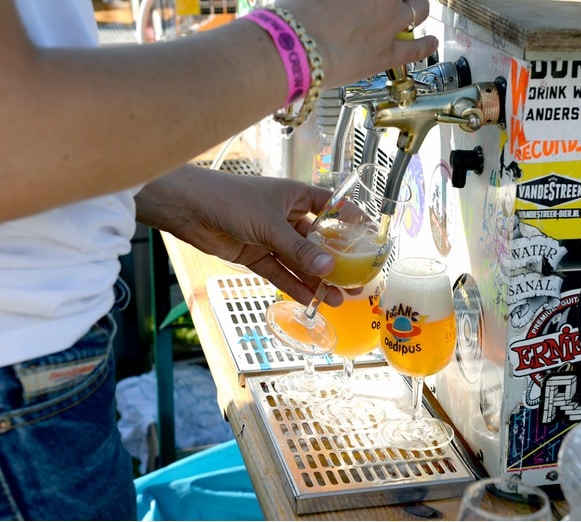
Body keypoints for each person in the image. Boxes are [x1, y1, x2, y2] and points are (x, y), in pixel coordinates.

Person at [0, 1, 437, 519]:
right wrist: (295, 44)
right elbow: (16, 135)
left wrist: (185, 197)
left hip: (42, 376)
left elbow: (42, 129)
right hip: (23, 392)